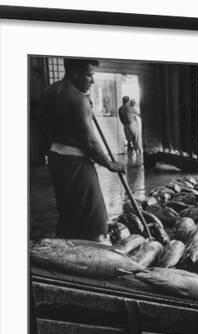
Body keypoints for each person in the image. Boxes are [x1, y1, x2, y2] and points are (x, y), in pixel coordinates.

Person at [41, 58, 124, 241]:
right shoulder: (79, 100)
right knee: (95, 219)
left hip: (56, 160)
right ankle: (92, 255)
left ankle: (68, 247)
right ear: (75, 73)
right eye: (89, 75)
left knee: (69, 211)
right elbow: (90, 143)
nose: (92, 81)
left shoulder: (50, 91)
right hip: (77, 162)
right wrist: (110, 164)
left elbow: (45, 128)